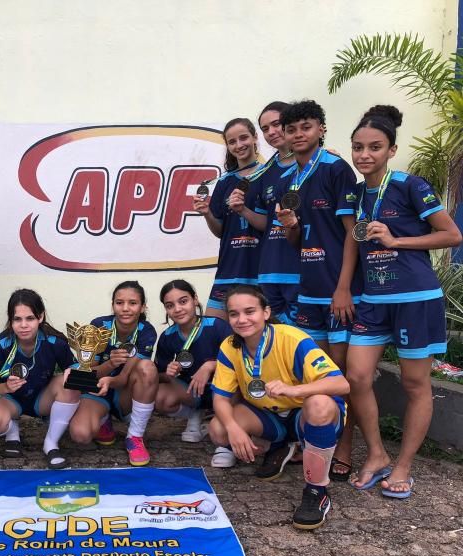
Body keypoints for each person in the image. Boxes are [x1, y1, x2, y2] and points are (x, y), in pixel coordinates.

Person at [345, 105, 462, 498]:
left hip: (414, 297)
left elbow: (451, 235)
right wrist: (344, 287)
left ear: (391, 150)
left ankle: (404, 465)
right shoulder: (357, 193)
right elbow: (352, 241)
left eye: (374, 147)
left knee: (415, 384)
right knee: (357, 377)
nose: (365, 155)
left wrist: (397, 241)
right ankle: (377, 454)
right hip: (373, 299)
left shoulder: (411, 185)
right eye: (358, 147)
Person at [209, 286, 350, 530]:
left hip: (304, 414)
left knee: (318, 403)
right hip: (270, 415)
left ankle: (317, 492)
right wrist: (233, 428)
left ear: (266, 312)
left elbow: (341, 383)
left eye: (250, 311)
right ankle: (280, 446)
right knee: (219, 429)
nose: (242, 320)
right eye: (234, 314)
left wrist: (295, 390)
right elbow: (220, 398)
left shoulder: (292, 338)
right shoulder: (230, 347)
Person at [275, 100, 361, 482]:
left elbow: (351, 234)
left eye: (306, 127)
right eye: (292, 129)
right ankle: (315, 443)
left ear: (321, 129)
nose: (298, 135)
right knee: (314, 376)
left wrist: (343, 288)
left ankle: (344, 448)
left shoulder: (336, 168)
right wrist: (290, 225)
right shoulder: (291, 177)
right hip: (307, 290)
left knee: (342, 377)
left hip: (337, 291)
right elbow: (297, 241)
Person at [0, 289, 80, 469]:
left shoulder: (55, 341)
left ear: (40, 317)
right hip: (10, 401)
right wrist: (6, 388)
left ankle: (51, 443)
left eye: (30, 318)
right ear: (10, 320)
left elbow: (73, 368)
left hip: (42, 399)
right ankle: (12, 429)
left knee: (72, 381)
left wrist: (73, 372)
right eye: (17, 319)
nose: (23, 325)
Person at [68, 281, 158, 466]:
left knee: (148, 368)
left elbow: (125, 378)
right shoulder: (98, 326)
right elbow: (87, 372)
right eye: (119, 303)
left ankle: (134, 437)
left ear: (142, 307)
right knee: (80, 434)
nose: (125, 308)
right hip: (97, 389)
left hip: (123, 390)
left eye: (132, 303)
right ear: (113, 305)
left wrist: (111, 379)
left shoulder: (146, 331)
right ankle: (103, 418)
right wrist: (109, 364)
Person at [193, 118, 265, 320]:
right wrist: (207, 212)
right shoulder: (224, 181)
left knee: (258, 334)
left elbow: (272, 225)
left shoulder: (269, 174)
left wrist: (243, 210)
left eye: (244, 138)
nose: (239, 145)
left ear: (254, 138)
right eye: (232, 141)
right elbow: (220, 231)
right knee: (212, 333)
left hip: (260, 272)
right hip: (229, 270)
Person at [153, 280, 232, 460]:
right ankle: (195, 414)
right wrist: (168, 372)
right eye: (170, 305)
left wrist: (210, 365)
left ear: (195, 300)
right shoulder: (167, 336)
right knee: (159, 396)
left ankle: (226, 441)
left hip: (225, 393)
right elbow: (158, 375)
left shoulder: (217, 326)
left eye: (183, 301)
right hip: (193, 392)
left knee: (219, 427)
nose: (178, 309)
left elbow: (241, 363)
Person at [251, 101, 300, 324]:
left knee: (305, 344)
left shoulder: (318, 161)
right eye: (264, 129)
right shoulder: (265, 172)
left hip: (303, 267)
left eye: (276, 124)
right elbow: (266, 222)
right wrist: (242, 210)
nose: (271, 132)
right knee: (278, 343)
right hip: (271, 269)